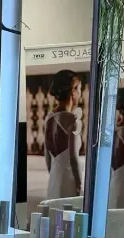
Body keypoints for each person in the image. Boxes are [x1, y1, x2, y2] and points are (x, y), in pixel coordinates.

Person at [44, 70, 83, 199]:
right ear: (73, 91)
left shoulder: (49, 118)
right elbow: (73, 157)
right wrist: (79, 184)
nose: (80, 93)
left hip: (54, 178)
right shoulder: (73, 120)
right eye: (79, 89)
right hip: (69, 180)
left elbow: (47, 156)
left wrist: (54, 174)